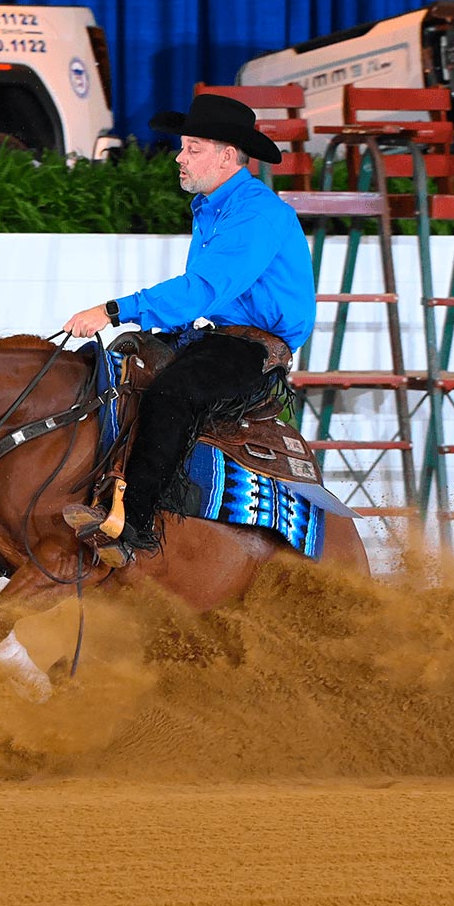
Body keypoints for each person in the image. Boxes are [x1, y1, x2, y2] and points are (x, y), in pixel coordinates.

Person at [62, 93, 317, 566]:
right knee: (121, 368)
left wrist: (117, 310)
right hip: (218, 335)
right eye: (182, 147)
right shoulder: (213, 206)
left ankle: (130, 524)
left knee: (173, 395)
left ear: (227, 156)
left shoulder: (256, 213)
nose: (179, 157)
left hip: (252, 347)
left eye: (193, 148)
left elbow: (204, 288)